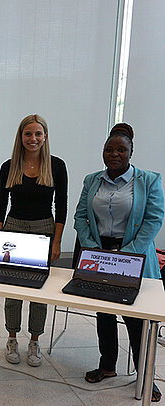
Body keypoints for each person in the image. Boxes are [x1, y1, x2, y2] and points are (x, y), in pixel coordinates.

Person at [74, 123, 163, 402]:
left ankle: (145, 375)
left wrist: (129, 253)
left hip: (134, 258)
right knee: (104, 312)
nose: (114, 154)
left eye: (121, 149)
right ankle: (107, 365)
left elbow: (153, 220)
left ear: (130, 152)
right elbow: (80, 217)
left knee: (137, 318)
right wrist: (91, 248)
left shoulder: (148, 181)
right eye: (109, 149)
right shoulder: (92, 180)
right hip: (100, 254)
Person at [0, 114, 67, 367]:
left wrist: (56, 242)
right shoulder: (9, 166)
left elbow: (62, 207)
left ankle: (34, 341)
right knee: (12, 290)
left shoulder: (56, 166)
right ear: (21, 137)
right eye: (28, 134)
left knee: (39, 290)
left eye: (38, 133)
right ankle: (12, 337)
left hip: (43, 230)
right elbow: (0, 205)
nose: (33, 138)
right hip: (13, 229)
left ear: (45, 136)